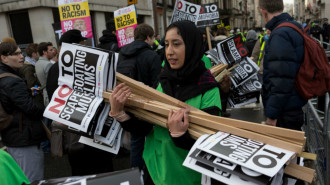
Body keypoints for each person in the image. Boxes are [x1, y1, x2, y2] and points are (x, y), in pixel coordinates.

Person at [110, 20, 222, 185]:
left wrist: (180, 136)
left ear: (191, 46)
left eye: (176, 44)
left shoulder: (208, 88)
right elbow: (147, 127)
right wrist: (121, 114)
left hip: (187, 177)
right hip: (154, 170)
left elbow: (212, 146)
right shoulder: (163, 81)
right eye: (167, 44)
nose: (169, 51)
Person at [118, 23, 162, 170]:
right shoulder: (151, 55)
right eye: (153, 37)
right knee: (152, 139)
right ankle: (151, 171)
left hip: (127, 102)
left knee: (136, 140)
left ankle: (136, 174)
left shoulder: (122, 53)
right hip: (148, 105)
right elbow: (158, 83)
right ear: (148, 37)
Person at [0, 42, 46, 182]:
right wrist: (46, 111)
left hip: (13, 134)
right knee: (32, 179)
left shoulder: (4, 76)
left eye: (21, 53)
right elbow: (29, 108)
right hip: (24, 136)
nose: (21, 56)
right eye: (17, 54)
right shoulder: (12, 81)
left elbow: (12, 101)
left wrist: (26, 92)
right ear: (3, 58)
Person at [259, 0, 306, 130]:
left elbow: (281, 80)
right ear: (282, 7)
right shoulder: (291, 28)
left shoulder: (280, 34)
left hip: (284, 112)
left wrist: (272, 115)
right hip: (291, 106)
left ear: (263, 12)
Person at [35, 42, 55, 106]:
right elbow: (52, 82)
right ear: (44, 52)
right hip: (51, 95)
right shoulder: (48, 64)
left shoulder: (37, 63)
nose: (53, 51)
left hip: (45, 94)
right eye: (50, 50)